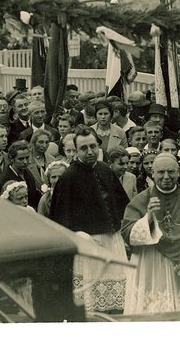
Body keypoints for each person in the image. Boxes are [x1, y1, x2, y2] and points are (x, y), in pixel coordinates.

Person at [49, 126, 129, 314]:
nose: (90, 152)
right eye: (84, 148)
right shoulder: (68, 178)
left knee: (118, 303)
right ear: (75, 151)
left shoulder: (105, 170)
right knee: (92, 303)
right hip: (88, 246)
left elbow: (122, 204)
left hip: (112, 240)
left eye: (93, 146)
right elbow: (60, 219)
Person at [122, 153, 180, 314]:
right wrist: (148, 217)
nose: (166, 177)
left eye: (171, 172)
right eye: (161, 172)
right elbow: (127, 233)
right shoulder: (141, 199)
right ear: (153, 173)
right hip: (152, 263)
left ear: (178, 172)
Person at [0, 140, 42, 206]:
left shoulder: (27, 172)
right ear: (11, 159)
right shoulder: (5, 179)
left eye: (27, 158)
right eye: (21, 159)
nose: (25, 161)